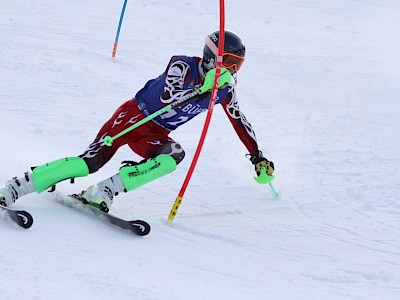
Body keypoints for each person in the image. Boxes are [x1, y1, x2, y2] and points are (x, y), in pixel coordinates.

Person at [0, 30, 274, 211]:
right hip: (133, 117)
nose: (232, 69)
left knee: (174, 154)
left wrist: (257, 155)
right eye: (228, 61)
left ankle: (105, 191)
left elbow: (239, 121)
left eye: (237, 65)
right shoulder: (182, 65)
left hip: (156, 132)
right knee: (89, 164)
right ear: (210, 57)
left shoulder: (224, 89)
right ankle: (15, 186)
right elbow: (169, 96)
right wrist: (202, 88)